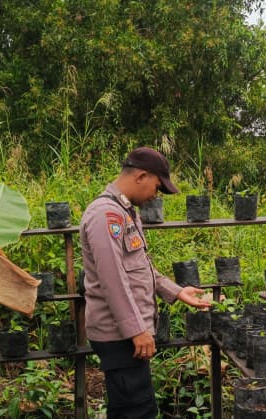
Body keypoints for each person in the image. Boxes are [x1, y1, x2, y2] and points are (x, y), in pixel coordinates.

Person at [80, 146, 211, 419]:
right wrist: (136, 330)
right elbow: (112, 279)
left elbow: (141, 269)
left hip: (126, 333)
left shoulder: (124, 212)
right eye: (156, 186)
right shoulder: (106, 215)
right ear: (141, 176)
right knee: (137, 411)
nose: (155, 195)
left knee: (131, 409)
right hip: (120, 336)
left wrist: (177, 291)